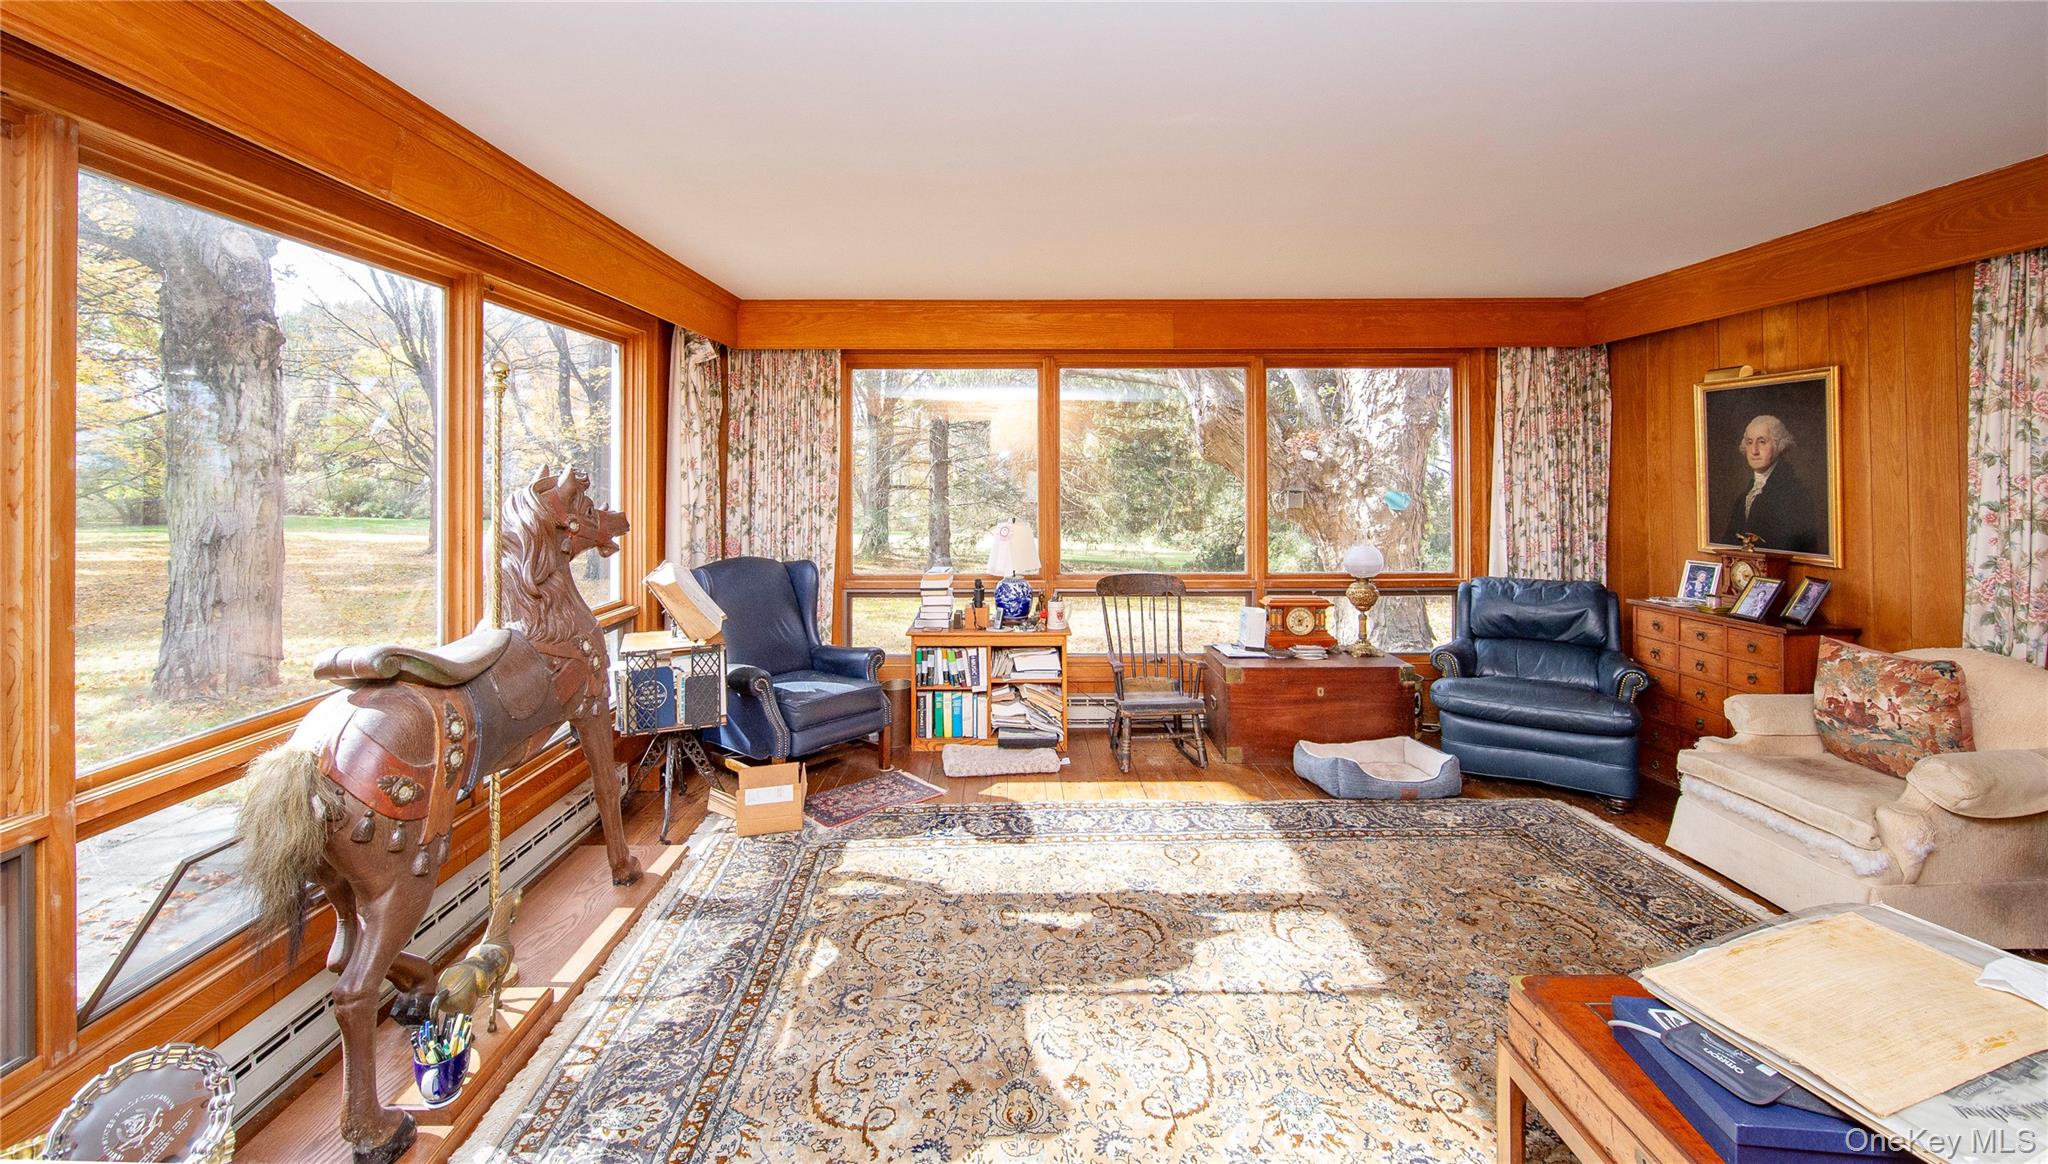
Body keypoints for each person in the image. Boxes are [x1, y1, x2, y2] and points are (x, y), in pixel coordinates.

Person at [1720, 414, 1820, 553]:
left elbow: (1793, 548)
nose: (1754, 450)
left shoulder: (1795, 495)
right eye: (1749, 442)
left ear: (1779, 444)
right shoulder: (1744, 497)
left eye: (1762, 442)